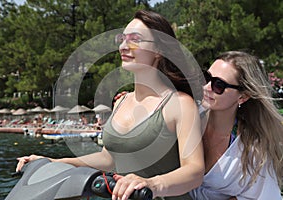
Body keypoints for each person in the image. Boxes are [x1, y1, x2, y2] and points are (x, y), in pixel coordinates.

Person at [16, 10, 205, 200]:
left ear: (158, 50)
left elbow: (194, 171)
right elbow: (108, 159)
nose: (123, 46)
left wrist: (151, 185)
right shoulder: (121, 101)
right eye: (122, 39)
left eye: (134, 39)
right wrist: (53, 162)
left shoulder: (180, 104)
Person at [189, 51, 283, 199]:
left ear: (243, 96)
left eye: (218, 85)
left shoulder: (253, 150)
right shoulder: (187, 117)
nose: (207, 87)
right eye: (206, 77)